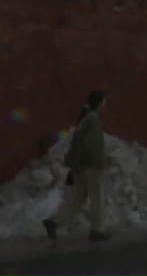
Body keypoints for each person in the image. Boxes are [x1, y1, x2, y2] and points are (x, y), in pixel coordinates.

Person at [44, 90, 109, 242]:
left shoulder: (84, 119)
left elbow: (77, 143)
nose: (105, 104)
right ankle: (97, 230)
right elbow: (91, 144)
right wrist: (98, 161)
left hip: (80, 166)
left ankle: (54, 222)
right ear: (99, 103)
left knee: (78, 199)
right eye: (104, 101)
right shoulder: (93, 119)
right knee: (97, 198)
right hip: (91, 166)